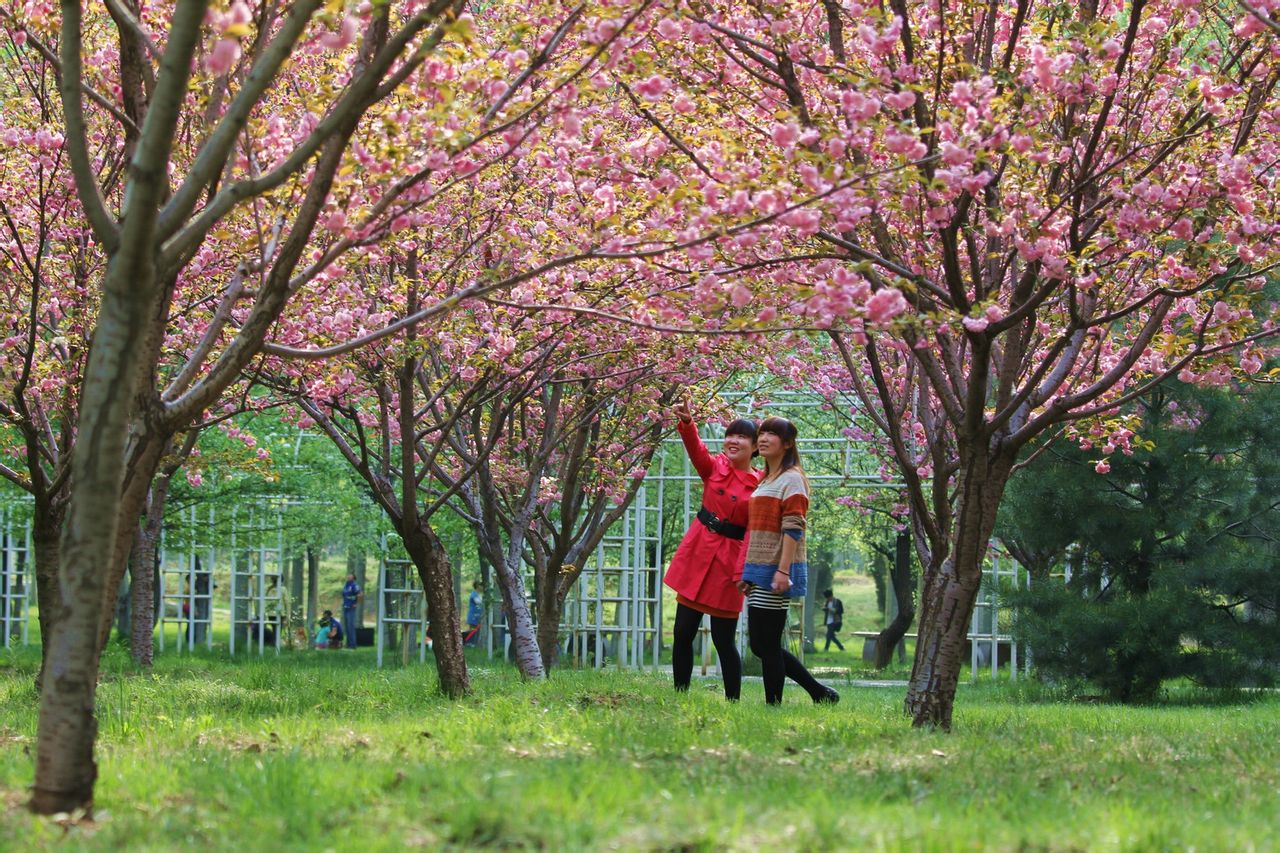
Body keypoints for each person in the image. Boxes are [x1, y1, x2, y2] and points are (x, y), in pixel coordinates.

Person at [663, 401, 760, 701]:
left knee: (723, 639)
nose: (733, 440)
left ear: (756, 447)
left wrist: (746, 570)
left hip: (728, 562)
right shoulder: (714, 467)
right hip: (698, 552)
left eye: (742, 437)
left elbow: (755, 532)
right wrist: (688, 423)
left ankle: (733, 701)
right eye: (730, 434)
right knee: (682, 632)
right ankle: (680, 694)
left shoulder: (760, 485)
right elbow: (696, 451)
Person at [738, 417, 839, 705]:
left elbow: (794, 527)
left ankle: (775, 704)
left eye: (772, 433)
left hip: (777, 568)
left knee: (766, 643)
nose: (764, 438)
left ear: (788, 443)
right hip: (760, 568)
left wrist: (783, 570)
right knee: (760, 643)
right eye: (762, 433)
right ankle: (820, 693)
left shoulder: (792, 478)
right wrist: (749, 571)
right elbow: (758, 528)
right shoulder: (765, 479)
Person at [341, 573, 362, 649]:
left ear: (353, 578)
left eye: (350, 577)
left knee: (350, 626)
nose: (348, 577)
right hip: (345, 607)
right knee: (347, 626)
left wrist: (356, 603)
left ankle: (353, 645)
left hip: (351, 608)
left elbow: (360, 594)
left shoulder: (354, 585)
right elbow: (344, 594)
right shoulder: (346, 585)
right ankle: (348, 643)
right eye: (348, 576)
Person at [464, 581, 484, 647]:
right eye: (481, 586)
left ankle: (472, 643)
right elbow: (478, 602)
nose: (482, 587)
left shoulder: (477, 595)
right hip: (473, 615)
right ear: (478, 586)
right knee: (472, 629)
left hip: (477, 616)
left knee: (475, 630)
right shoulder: (474, 594)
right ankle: (469, 643)